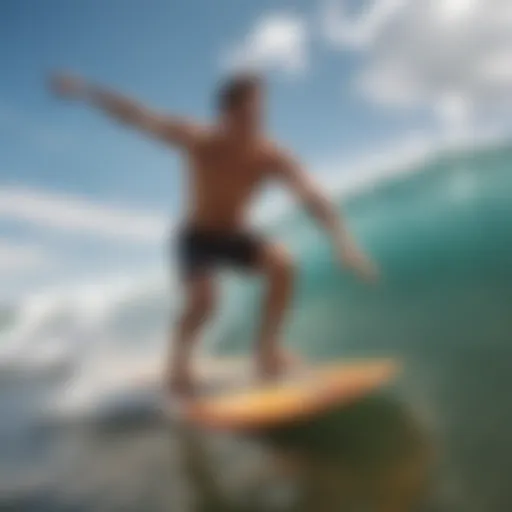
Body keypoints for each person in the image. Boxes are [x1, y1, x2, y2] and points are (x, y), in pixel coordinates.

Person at [50, 71, 378, 396]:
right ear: (227, 114)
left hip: (234, 234)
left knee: (283, 264)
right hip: (196, 238)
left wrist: (343, 242)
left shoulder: (269, 155)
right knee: (204, 302)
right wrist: (86, 91)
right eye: (249, 114)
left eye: (260, 114)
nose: (256, 122)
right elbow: (139, 117)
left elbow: (311, 195)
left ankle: (267, 353)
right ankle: (177, 364)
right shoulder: (199, 139)